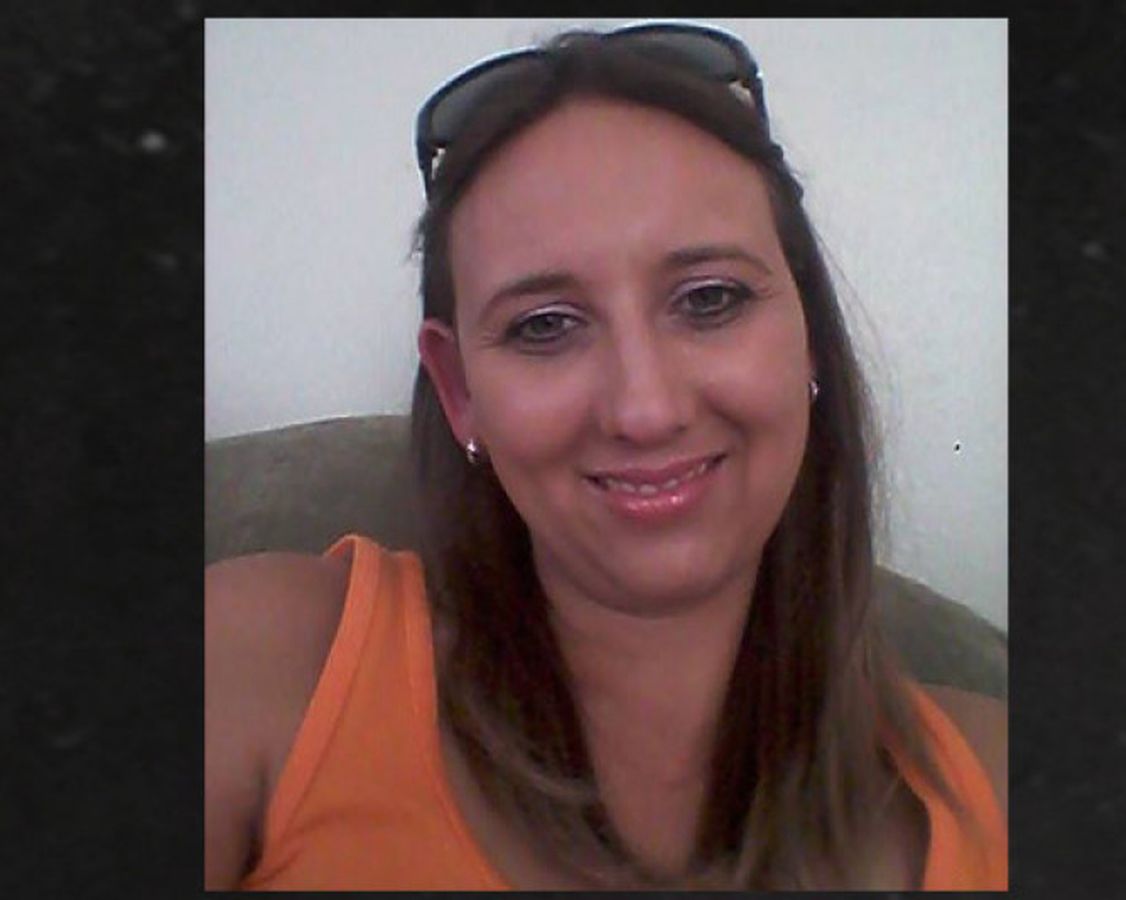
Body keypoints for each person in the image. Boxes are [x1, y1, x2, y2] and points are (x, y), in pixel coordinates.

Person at [205, 22, 1006, 891]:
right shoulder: (256, 665)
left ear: (808, 335)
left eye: (710, 299)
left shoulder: (1001, 778)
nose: (645, 409)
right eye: (545, 325)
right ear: (459, 389)